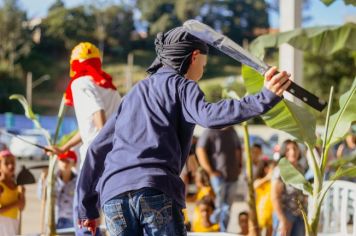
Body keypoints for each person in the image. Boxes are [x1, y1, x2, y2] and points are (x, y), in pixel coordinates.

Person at [76, 26, 291, 235]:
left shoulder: (133, 94)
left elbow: (96, 149)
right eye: (204, 66)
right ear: (194, 56)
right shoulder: (182, 85)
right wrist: (265, 97)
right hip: (155, 187)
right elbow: (210, 116)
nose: (202, 73)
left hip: (114, 195)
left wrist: (86, 208)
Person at [49, 42, 121, 236]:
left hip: (94, 163)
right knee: (107, 220)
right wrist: (64, 148)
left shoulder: (81, 84)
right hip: (115, 164)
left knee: (84, 220)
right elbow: (89, 129)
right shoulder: (110, 88)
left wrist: (99, 153)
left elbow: (99, 118)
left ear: (74, 64)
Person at [196, 126, 242, 232]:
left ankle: (223, 231)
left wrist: (239, 166)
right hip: (218, 177)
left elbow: (238, 149)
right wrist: (210, 171)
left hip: (232, 176)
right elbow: (200, 150)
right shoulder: (210, 130)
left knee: (227, 208)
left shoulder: (232, 131)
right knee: (218, 206)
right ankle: (212, 227)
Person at [271, 140, 306, 236]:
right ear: (283, 152)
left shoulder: (300, 168)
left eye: (295, 149)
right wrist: (282, 219)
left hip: (299, 215)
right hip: (285, 214)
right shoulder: (280, 170)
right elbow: (275, 197)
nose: (292, 152)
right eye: (288, 149)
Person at [38, 150, 77, 230]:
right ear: (58, 162)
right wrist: (42, 181)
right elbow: (42, 197)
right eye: (62, 160)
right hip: (53, 220)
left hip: (72, 221)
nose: (65, 163)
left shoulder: (78, 181)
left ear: (74, 163)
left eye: (68, 160)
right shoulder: (51, 180)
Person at [0, 150, 25, 235]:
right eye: (6, 163)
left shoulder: (16, 185)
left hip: (13, 222)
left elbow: (21, 208)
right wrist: (16, 204)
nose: (11, 166)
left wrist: (22, 195)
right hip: (2, 224)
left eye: (12, 162)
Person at [254, 160, 276, 236]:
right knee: (257, 231)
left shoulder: (274, 182)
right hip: (261, 211)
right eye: (273, 168)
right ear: (266, 169)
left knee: (270, 232)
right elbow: (255, 185)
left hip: (272, 212)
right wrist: (267, 177)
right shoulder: (262, 180)